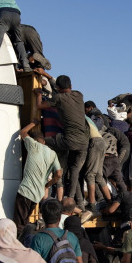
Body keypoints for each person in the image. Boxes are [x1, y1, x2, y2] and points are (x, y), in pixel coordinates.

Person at [37, 75, 89, 205]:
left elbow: (39, 105)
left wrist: (38, 93)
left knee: (41, 140)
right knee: (75, 171)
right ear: (71, 86)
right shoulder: (79, 95)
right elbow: (61, 89)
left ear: (58, 88)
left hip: (68, 140)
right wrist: (49, 76)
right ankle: (71, 198)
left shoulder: (58, 98)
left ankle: (47, 187)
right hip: (84, 142)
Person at [14, 125, 63, 228]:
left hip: (26, 191)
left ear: (34, 139)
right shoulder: (52, 153)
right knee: (25, 222)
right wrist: (47, 185)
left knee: (18, 225)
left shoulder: (33, 145)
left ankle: (18, 242)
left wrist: (33, 123)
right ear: (44, 141)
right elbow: (58, 174)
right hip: (37, 195)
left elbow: (23, 132)